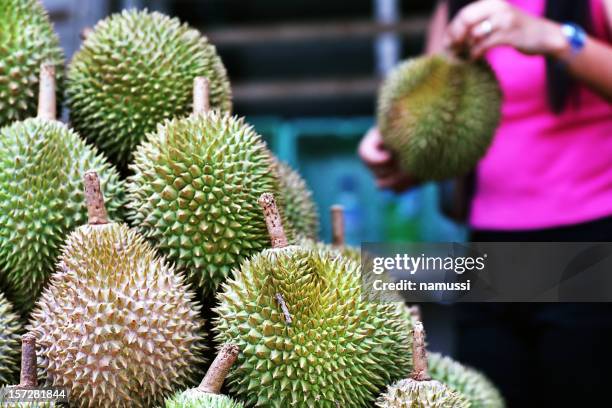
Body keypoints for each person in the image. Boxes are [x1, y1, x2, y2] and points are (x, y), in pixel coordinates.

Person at [359, 0, 612, 406]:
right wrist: (394, 151)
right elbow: (438, 122)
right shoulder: (455, 9)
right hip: (487, 253)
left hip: (589, 247)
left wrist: (553, 37)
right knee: (488, 396)